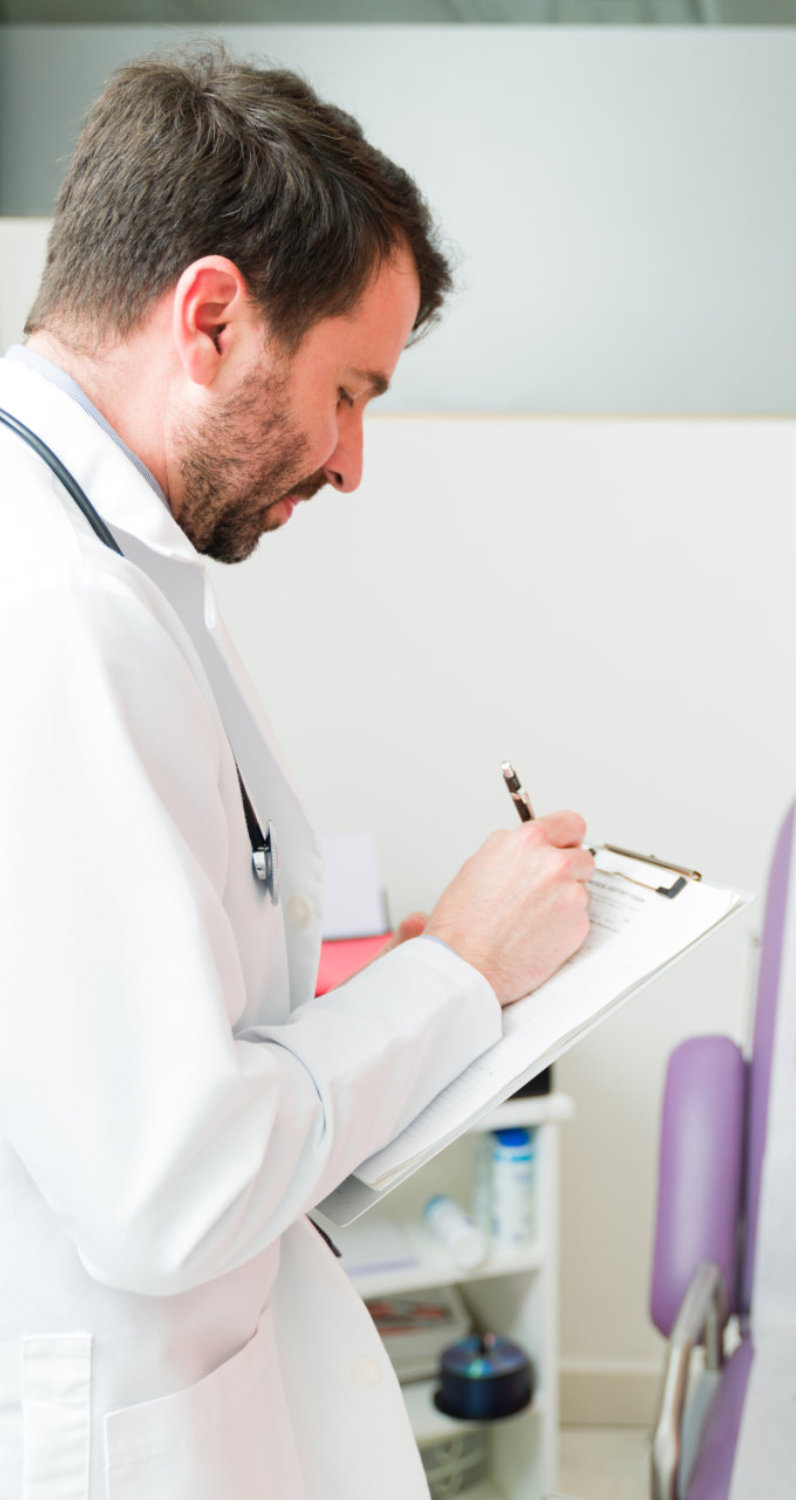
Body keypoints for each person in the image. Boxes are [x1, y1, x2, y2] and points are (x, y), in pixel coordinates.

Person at [0, 46, 594, 1500]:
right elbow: (171, 1187)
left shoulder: (117, 577)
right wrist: (457, 967)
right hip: (103, 1427)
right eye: (347, 390)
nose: (350, 462)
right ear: (209, 317)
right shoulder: (55, 615)